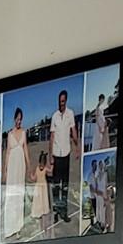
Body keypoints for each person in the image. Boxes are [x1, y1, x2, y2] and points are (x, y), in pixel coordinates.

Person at [47, 90, 79, 229]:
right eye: (60, 101)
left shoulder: (70, 114)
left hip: (66, 154)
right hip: (56, 155)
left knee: (65, 185)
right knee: (56, 186)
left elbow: (74, 131)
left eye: (63, 101)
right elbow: (52, 137)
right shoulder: (54, 116)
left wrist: (77, 147)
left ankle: (64, 212)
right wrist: (50, 155)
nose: (61, 103)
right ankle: (55, 212)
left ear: (66, 101)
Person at [1, 105, 29, 238]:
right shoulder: (10, 134)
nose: (19, 121)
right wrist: (5, 171)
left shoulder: (23, 132)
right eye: (17, 119)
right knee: (11, 195)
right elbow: (7, 153)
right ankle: (10, 228)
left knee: (19, 196)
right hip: (12, 167)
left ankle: (18, 228)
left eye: (20, 119)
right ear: (14, 119)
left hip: (21, 166)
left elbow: (25, 149)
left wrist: (29, 165)